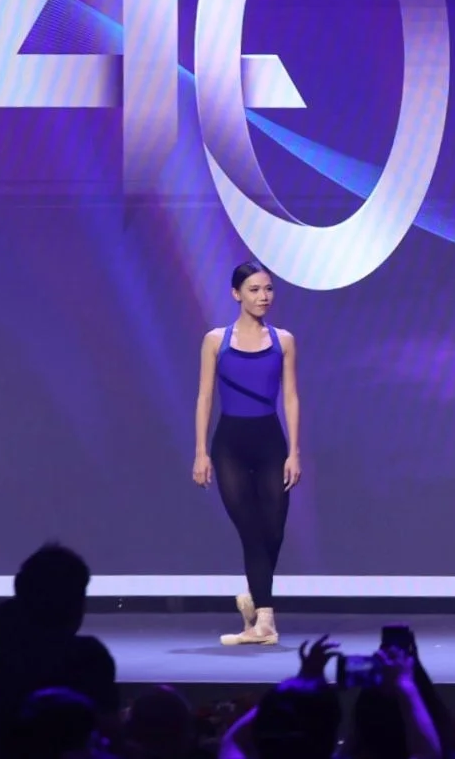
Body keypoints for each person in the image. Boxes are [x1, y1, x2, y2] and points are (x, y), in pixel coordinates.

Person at [193, 261, 302, 645]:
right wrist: (201, 452)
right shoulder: (215, 340)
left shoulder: (283, 341)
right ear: (236, 294)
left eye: (268, 289)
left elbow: (291, 397)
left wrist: (295, 452)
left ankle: (254, 599)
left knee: (274, 528)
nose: (263, 296)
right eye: (254, 289)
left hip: (271, 442)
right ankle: (265, 621)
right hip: (230, 446)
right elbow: (205, 397)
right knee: (251, 529)